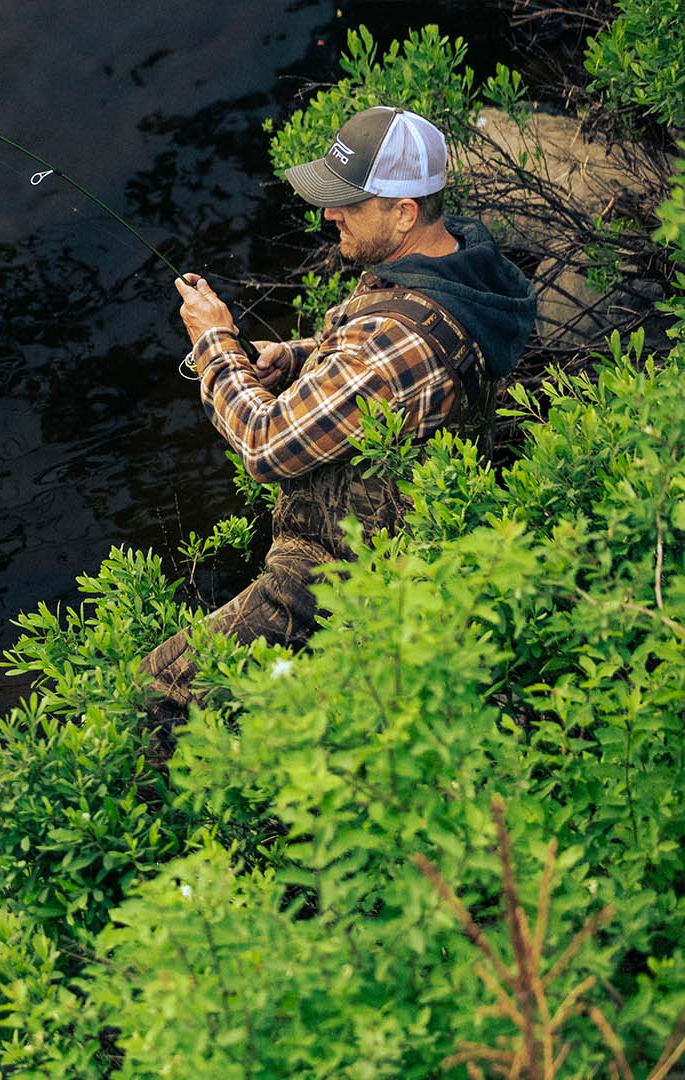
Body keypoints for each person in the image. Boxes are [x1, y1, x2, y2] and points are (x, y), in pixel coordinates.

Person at [140, 105, 537, 739]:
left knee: (154, 696)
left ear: (404, 211)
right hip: (402, 552)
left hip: (337, 580)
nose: (329, 214)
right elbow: (384, 371)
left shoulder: (394, 343)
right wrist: (296, 359)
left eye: (347, 201)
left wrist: (214, 342)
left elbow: (264, 446)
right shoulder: (457, 264)